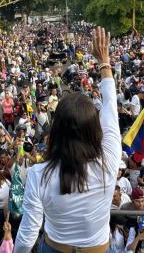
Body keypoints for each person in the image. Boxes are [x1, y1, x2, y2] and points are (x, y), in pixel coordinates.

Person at [14, 27, 121, 252]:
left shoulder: (38, 174)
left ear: (57, 131)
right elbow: (110, 106)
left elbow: (28, 233)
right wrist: (104, 62)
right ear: (95, 130)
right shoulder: (110, 160)